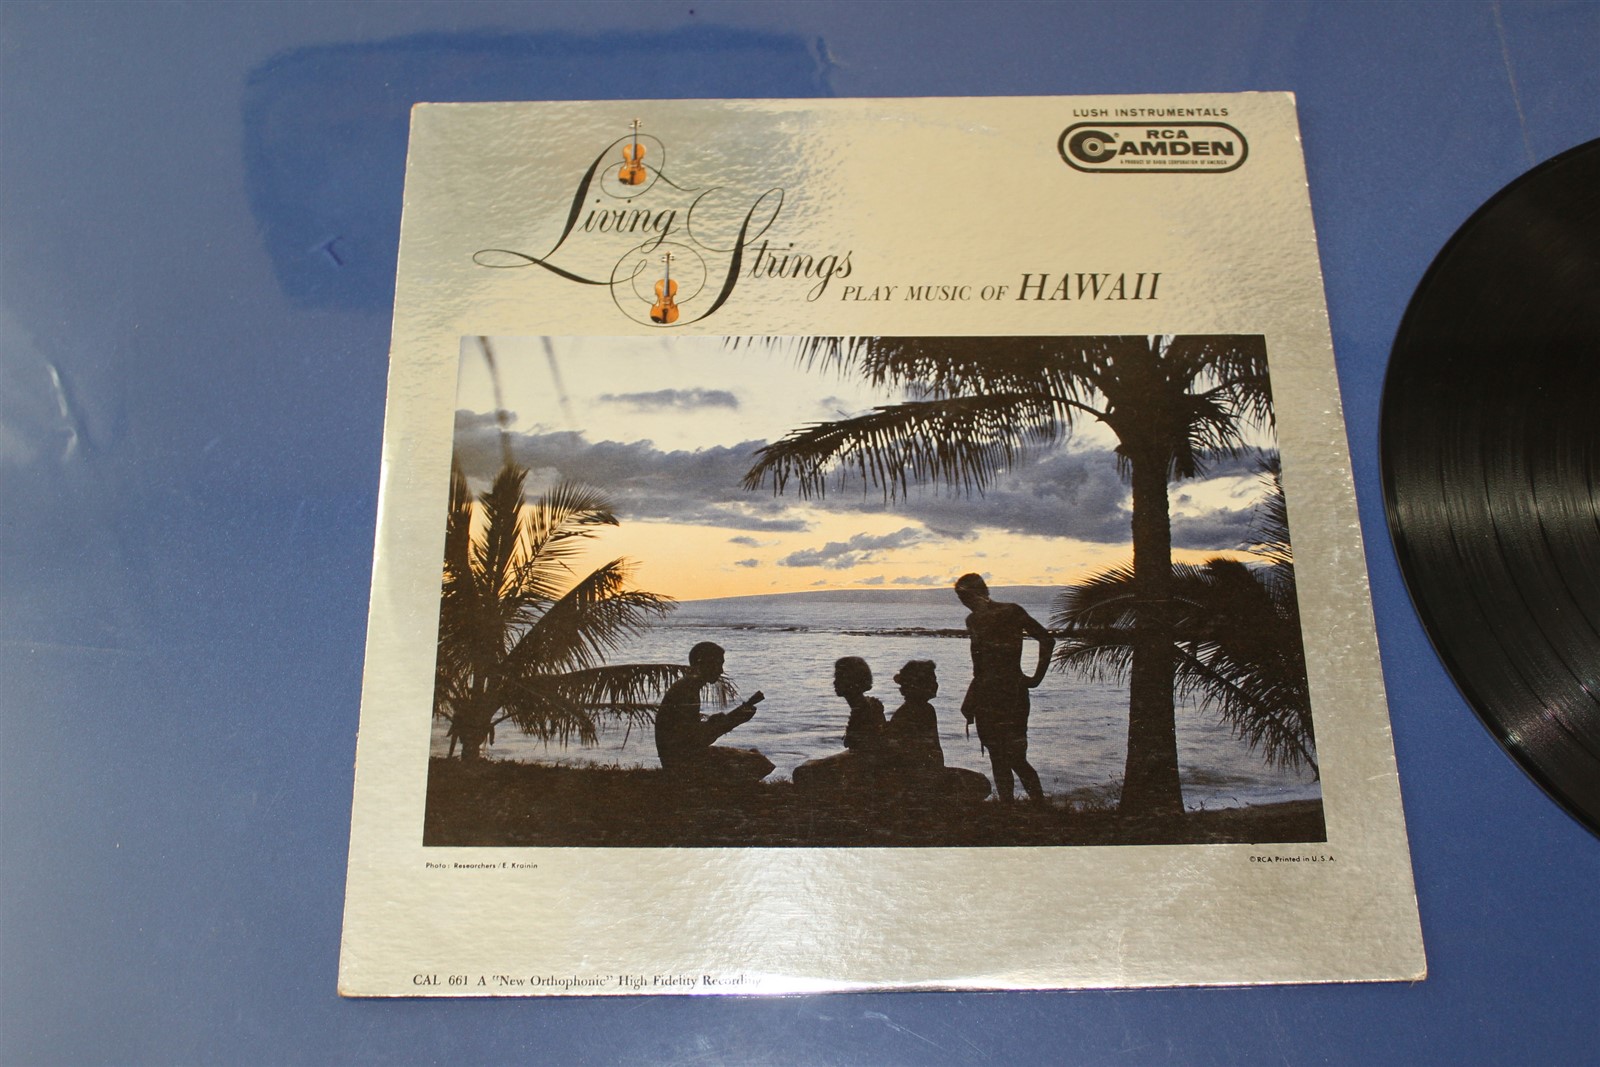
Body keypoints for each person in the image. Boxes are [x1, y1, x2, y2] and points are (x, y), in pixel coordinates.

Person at [955, 573, 1055, 803]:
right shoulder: (972, 620)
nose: (966, 603)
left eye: (967, 597)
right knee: (997, 756)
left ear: (982, 592)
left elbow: (1047, 639)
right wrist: (970, 699)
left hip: (1012, 693)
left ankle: (1039, 805)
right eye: (962, 599)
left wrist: (1036, 678)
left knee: (1015, 757)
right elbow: (979, 668)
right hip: (987, 694)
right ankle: (1008, 806)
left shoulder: (1011, 611)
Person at [654, 641, 773, 783]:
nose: (721, 671)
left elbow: (688, 733)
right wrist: (733, 720)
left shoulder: (687, 686)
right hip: (681, 764)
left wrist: (717, 722)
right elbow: (696, 739)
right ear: (704, 664)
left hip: (676, 759)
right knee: (759, 763)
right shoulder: (688, 689)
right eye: (718, 664)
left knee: (753, 756)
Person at [881, 660, 991, 802]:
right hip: (918, 777)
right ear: (919, 685)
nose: (936, 685)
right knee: (979, 784)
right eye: (932, 680)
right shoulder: (912, 712)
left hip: (927, 774)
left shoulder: (923, 710)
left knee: (981, 783)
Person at [791, 657, 884, 791]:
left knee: (802, 772)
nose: (834, 682)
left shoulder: (864, 709)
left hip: (863, 765)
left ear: (853, 680)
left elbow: (864, 751)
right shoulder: (868, 704)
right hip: (861, 760)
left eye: (839, 677)